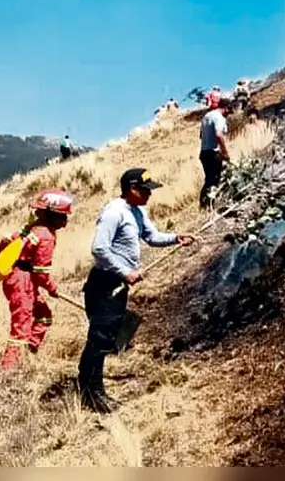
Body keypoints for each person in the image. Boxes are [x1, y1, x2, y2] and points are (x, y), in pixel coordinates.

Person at [77, 168, 194, 413]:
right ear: (132, 189)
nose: (149, 195)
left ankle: (91, 386)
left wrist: (175, 238)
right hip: (106, 282)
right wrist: (124, 272)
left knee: (107, 334)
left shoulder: (138, 212)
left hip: (118, 283)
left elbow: (151, 237)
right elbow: (99, 249)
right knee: (100, 337)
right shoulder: (114, 213)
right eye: (145, 190)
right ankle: (91, 392)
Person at [0, 189, 74, 369]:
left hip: (16, 278)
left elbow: (6, 241)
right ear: (51, 215)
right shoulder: (46, 237)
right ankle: (9, 370)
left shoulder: (32, 227)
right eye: (62, 216)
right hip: (22, 282)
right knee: (21, 327)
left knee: (43, 316)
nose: (65, 221)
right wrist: (52, 289)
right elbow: (41, 273)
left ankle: (29, 353)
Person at [199, 96, 232, 208]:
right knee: (214, 180)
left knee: (209, 179)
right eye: (229, 111)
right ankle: (209, 205)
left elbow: (201, 135)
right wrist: (224, 152)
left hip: (203, 153)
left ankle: (203, 204)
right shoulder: (219, 118)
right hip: (213, 153)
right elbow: (219, 134)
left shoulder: (207, 116)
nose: (228, 115)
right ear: (226, 108)